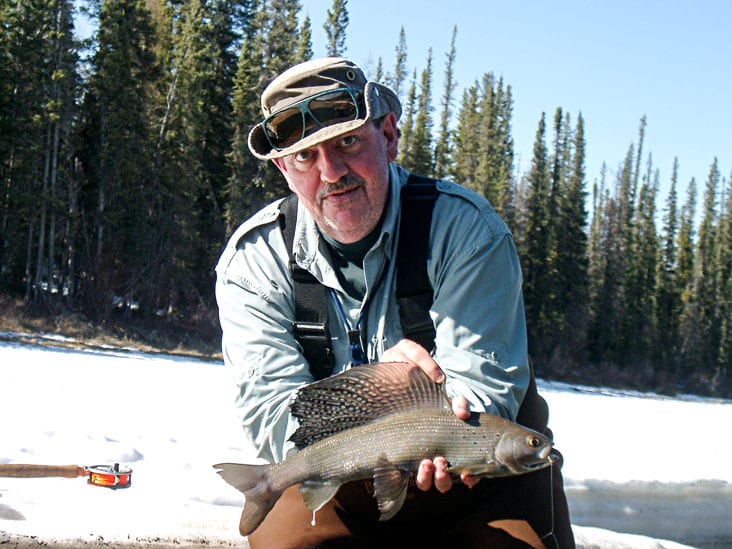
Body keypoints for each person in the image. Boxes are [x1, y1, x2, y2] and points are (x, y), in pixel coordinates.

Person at [215, 57, 574, 549]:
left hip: (478, 482)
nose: (331, 172)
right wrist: (376, 391)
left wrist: (421, 408)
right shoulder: (253, 264)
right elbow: (273, 419)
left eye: (347, 142)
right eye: (305, 157)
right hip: (335, 482)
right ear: (282, 167)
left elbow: (487, 391)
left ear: (387, 135)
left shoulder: (466, 232)